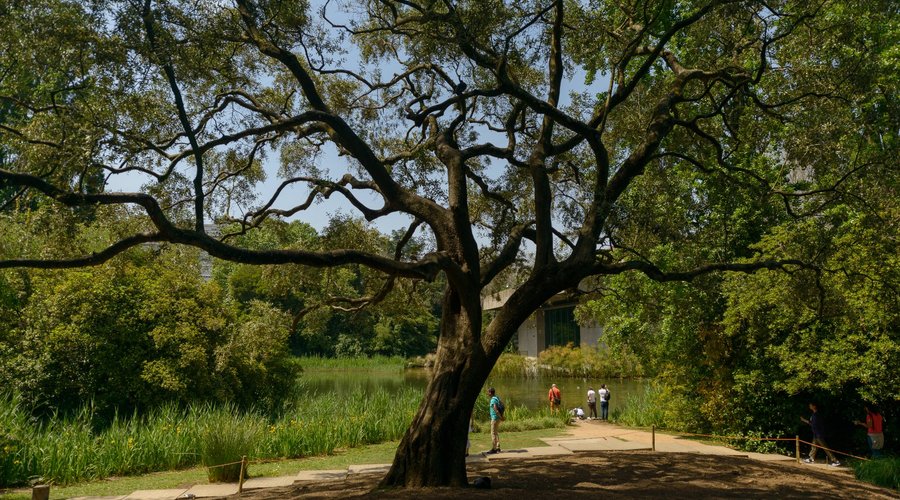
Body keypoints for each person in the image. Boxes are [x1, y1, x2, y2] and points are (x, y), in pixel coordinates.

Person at [487, 387, 504, 454]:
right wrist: (501, 417)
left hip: (494, 418)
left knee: (493, 433)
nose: (487, 393)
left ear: (490, 393)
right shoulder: (497, 398)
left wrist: (501, 417)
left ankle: (494, 449)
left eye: (488, 392)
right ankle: (498, 447)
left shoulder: (492, 400)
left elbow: (496, 409)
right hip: (498, 419)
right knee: (496, 433)